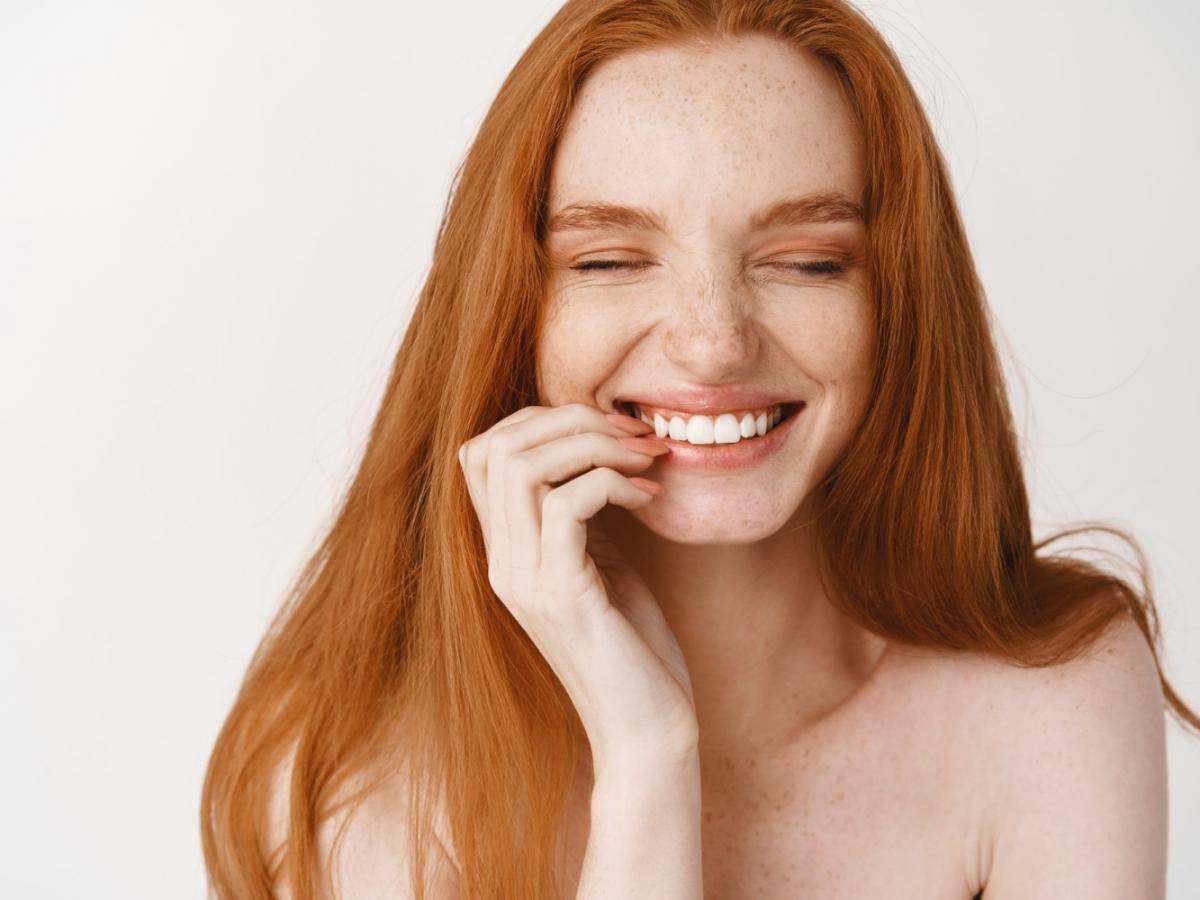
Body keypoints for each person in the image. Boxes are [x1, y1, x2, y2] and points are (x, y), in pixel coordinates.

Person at [200, 1, 1199, 897]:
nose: (714, 342)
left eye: (807, 261)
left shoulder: (1052, 698)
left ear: (897, 301)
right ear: (512, 310)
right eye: (609, 260)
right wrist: (646, 762)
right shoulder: (351, 763)